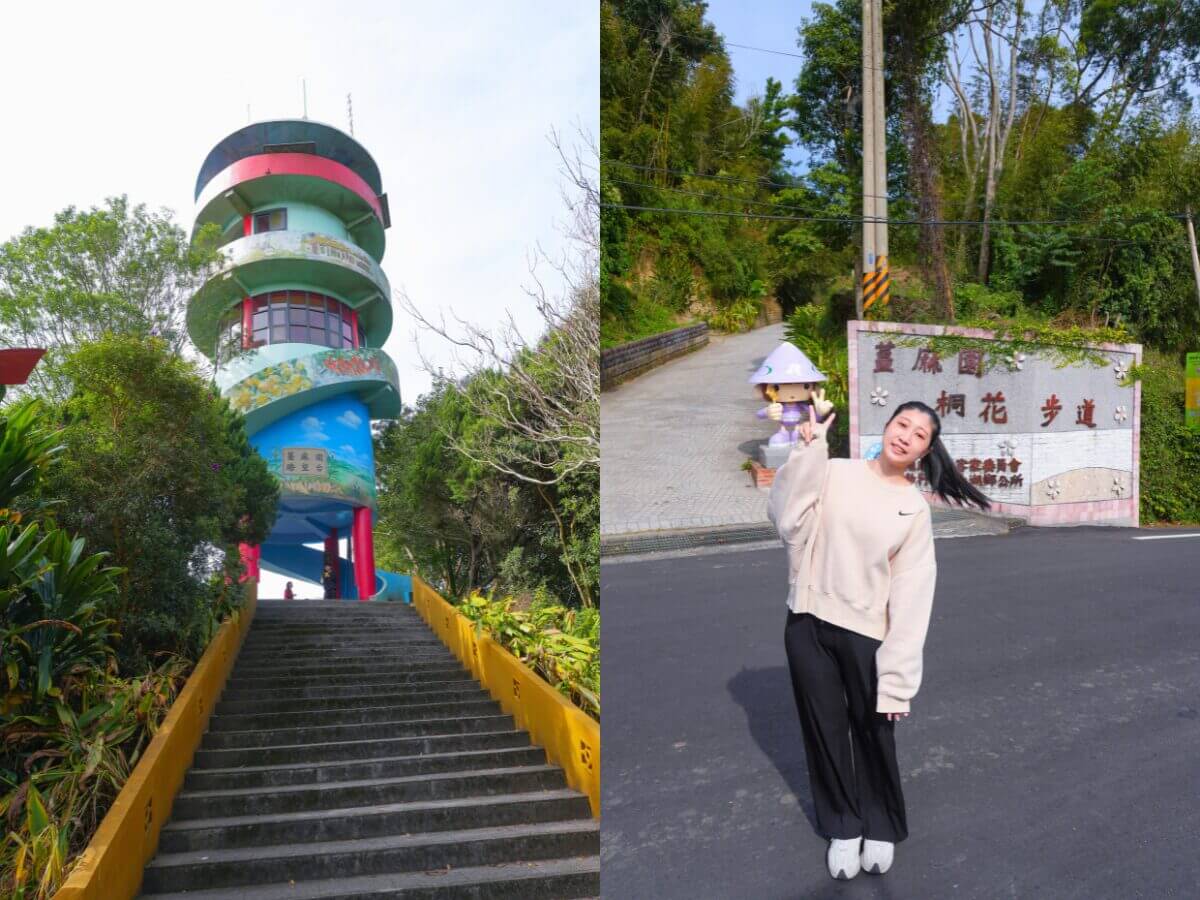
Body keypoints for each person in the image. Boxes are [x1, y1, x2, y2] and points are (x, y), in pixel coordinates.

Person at [768, 399, 990, 881]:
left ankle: (881, 824)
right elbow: (788, 521)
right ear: (887, 427)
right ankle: (844, 828)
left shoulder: (912, 508)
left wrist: (897, 679)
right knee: (823, 732)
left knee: (874, 731)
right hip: (806, 621)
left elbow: (912, 597)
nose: (906, 436)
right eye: (902, 424)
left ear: (925, 452)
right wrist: (809, 452)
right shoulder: (836, 471)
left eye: (920, 435)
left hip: (867, 634)